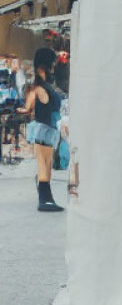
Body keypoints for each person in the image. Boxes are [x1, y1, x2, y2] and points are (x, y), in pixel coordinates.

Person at [17, 48, 64, 211]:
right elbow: (28, 107)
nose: (53, 69)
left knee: (47, 164)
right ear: (42, 68)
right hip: (43, 128)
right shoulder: (37, 87)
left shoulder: (46, 86)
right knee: (44, 165)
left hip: (49, 129)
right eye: (51, 65)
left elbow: (27, 108)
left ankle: (46, 197)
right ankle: (45, 200)